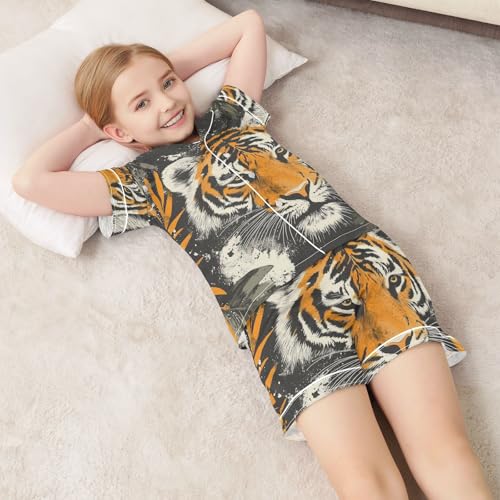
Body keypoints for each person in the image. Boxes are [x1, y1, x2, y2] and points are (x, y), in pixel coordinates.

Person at [11, 8, 493, 499]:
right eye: (142, 103)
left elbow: (247, 25)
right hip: (282, 319)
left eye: (169, 83)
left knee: (443, 449)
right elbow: (31, 181)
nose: (168, 102)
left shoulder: (233, 116)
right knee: (366, 481)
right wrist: (93, 125)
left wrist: (153, 71)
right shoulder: (142, 183)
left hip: (366, 267)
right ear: (118, 133)